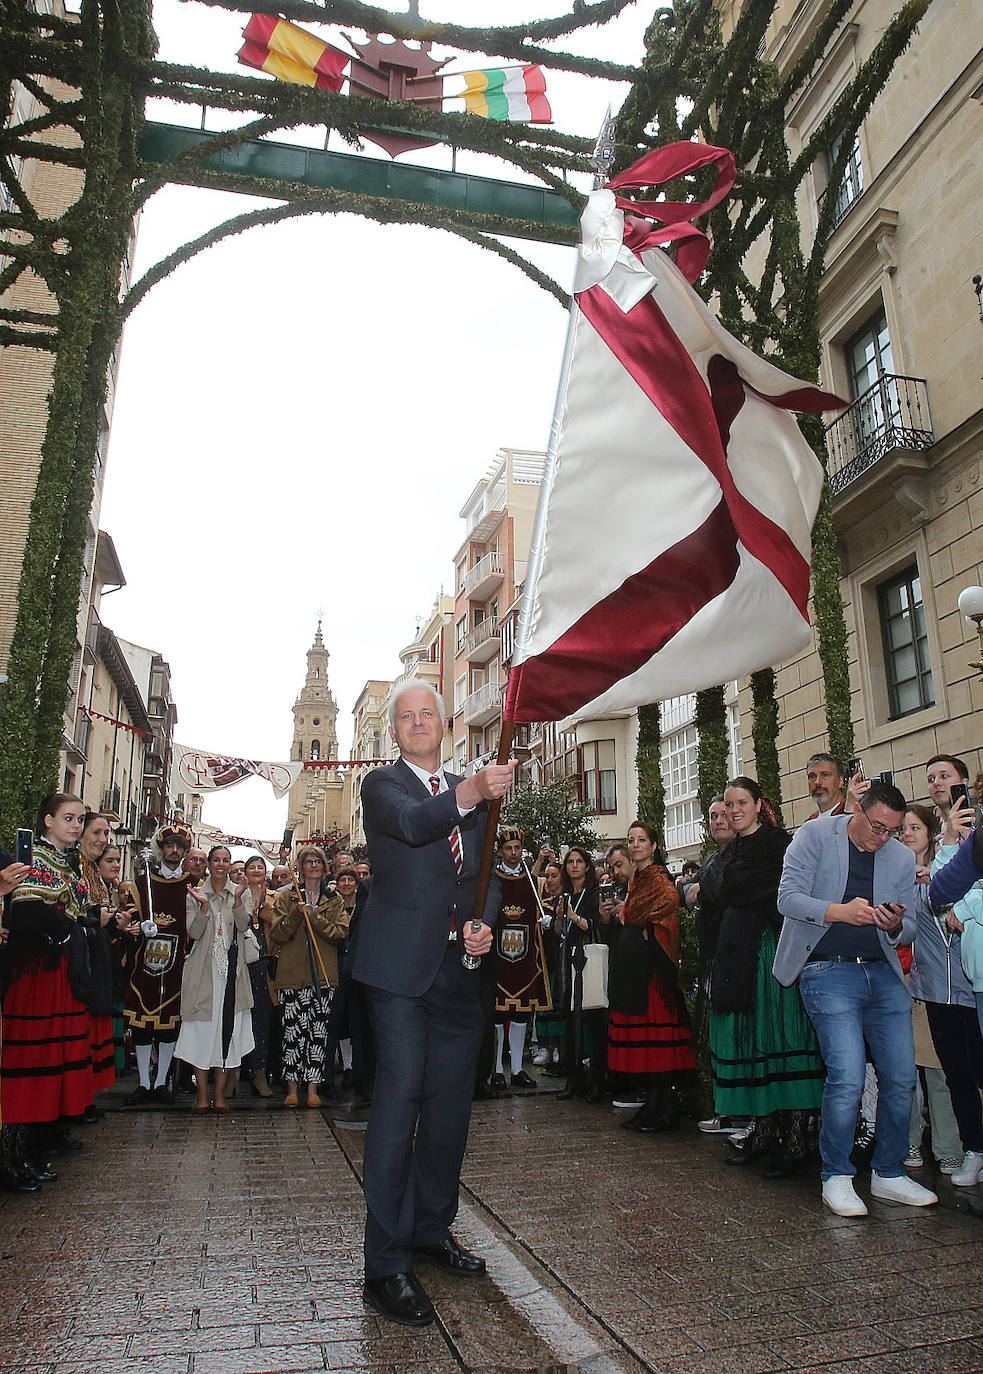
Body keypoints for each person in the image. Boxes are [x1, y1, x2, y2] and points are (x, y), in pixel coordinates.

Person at [349, 678, 510, 1329]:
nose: (417, 723)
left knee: (448, 1112)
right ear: (395, 732)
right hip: (396, 973)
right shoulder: (382, 787)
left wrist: (484, 922)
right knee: (400, 1102)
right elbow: (417, 826)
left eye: (427, 715)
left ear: (442, 726)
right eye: (406, 716)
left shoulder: (468, 796)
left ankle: (429, 1231)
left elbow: (485, 876)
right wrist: (469, 791)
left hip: (456, 971)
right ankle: (385, 1264)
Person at [775, 779, 938, 1216]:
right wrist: (839, 912)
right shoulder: (813, 835)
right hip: (827, 967)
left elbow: (909, 927)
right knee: (846, 1076)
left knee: (901, 1076)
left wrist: (892, 924)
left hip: (883, 974)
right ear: (858, 810)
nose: (882, 838)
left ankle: (889, 1172)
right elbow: (787, 899)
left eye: (892, 830)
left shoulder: (901, 858)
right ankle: (837, 1175)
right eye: (877, 826)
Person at [707, 778, 825, 1178]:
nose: (734, 810)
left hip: (769, 952)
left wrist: (734, 888)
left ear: (759, 804)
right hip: (740, 953)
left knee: (779, 1037)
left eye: (741, 802)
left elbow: (763, 893)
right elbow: (722, 890)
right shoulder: (736, 847)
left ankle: (795, 1140)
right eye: (728, 804)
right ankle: (767, 1130)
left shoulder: (777, 844)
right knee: (755, 1039)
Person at [0, 794, 94, 1186]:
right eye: (68, 818)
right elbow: (24, 911)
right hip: (32, 972)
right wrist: (61, 920)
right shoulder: (32, 859)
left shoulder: (68, 863)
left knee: (48, 1061)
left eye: (79, 819)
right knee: (27, 1062)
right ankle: (11, 1156)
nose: (75, 825)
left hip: (56, 970)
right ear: (47, 822)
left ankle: (30, 1148)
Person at [607, 821, 696, 1131]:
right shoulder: (638, 880)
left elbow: (662, 906)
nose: (634, 845)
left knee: (657, 1043)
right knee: (645, 1044)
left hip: (655, 971)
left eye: (641, 840)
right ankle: (653, 1105)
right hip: (637, 970)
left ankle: (664, 1107)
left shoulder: (658, 880)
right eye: (631, 840)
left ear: (654, 845)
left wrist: (637, 921)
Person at [900, 804, 964, 1174]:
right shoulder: (891, 874)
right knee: (905, 1072)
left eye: (915, 827)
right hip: (902, 983)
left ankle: (948, 1146)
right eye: (902, 829)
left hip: (938, 984)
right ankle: (909, 1142)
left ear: (929, 833)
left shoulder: (942, 874)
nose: (908, 834)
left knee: (939, 1071)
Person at [175, 846, 254, 1111]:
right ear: (209, 864)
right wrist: (204, 906)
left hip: (232, 975)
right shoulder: (195, 893)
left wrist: (240, 899)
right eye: (216, 860)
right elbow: (194, 933)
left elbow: (244, 925)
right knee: (201, 1033)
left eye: (226, 860)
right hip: (203, 974)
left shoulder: (241, 892)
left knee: (227, 1033)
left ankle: (219, 1096)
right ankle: (200, 1096)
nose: (221, 864)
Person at [270, 846, 348, 1107]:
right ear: (301, 867)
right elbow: (278, 934)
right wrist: (296, 914)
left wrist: (315, 918)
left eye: (317, 862)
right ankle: (292, 1087)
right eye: (308, 862)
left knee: (318, 1034)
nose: (313, 866)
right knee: (293, 1033)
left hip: (324, 977)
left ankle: (313, 1088)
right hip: (292, 976)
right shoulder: (286, 897)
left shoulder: (333, 899)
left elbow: (340, 933)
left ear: (324, 867)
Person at [124, 822, 193, 1105]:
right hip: (146, 963)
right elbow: (127, 913)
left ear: (185, 851)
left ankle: (162, 1081)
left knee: (169, 1026)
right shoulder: (143, 884)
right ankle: (143, 1082)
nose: (173, 851)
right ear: (161, 849)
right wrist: (140, 925)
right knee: (142, 1025)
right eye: (168, 846)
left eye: (179, 847)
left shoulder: (193, 885)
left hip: (178, 965)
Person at [489, 827, 550, 1094]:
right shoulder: (492, 879)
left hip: (525, 955)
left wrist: (545, 917)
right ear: (500, 851)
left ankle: (517, 1068)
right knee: (498, 1013)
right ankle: (497, 1070)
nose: (513, 853)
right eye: (508, 849)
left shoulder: (532, 880)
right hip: (499, 957)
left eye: (516, 848)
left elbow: (542, 904)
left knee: (522, 1012)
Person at [554, 845, 604, 1101]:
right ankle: (573, 1078)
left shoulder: (594, 894)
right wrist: (561, 918)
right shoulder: (564, 895)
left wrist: (574, 918)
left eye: (579, 861)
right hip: (568, 961)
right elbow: (557, 932)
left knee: (593, 1020)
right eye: (570, 862)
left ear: (587, 865)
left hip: (589, 962)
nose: (574, 866)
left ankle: (597, 1080)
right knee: (570, 1021)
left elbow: (597, 926)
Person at [78, 813, 118, 1106]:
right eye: (97, 832)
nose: (103, 839)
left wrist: (115, 921)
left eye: (106, 833)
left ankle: (83, 1099)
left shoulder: (91, 871)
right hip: (81, 962)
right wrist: (98, 920)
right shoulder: (75, 868)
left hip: (96, 956)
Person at [240, 855, 276, 1098]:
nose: (256, 870)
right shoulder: (237, 893)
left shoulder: (276, 897)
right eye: (251, 867)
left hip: (265, 963)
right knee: (238, 1019)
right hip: (241, 964)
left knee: (262, 1021)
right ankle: (233, 1074)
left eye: (260, 867)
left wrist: (261, 910)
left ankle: (260, 1073)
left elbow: (279, 924)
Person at [532, 861, 566, 1072]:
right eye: (548, 876)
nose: (550, 880)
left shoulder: (565, 899)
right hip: (544, 958)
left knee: (559, 1002)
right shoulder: (542, 902)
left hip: (561, 957)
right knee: (544, 1003)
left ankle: (558, 1046)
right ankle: (544, 1045)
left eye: (554, 875)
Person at [805, 753, 846, 819]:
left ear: (841, 781)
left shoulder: (854, 814)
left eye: (825, 775)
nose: (817, 782)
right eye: (812, 776)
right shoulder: (810, 824)